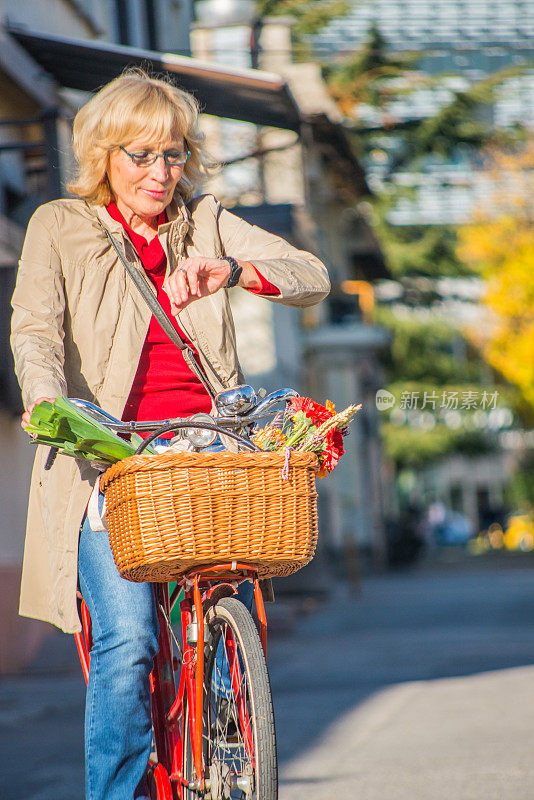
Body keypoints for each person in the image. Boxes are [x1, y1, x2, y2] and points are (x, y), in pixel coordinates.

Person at [10, 69, 330, 800]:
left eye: (174, 155)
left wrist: (235, 269)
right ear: (103, 156)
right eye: (141, 155)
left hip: (209, 446)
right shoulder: (60, 224)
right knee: (128, 646)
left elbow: (311, 273)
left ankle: (225, 738)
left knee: (228, 608)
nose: (161, 173)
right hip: (113, 456)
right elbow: (34, 331)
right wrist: (47, 402)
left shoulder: (207, 220)